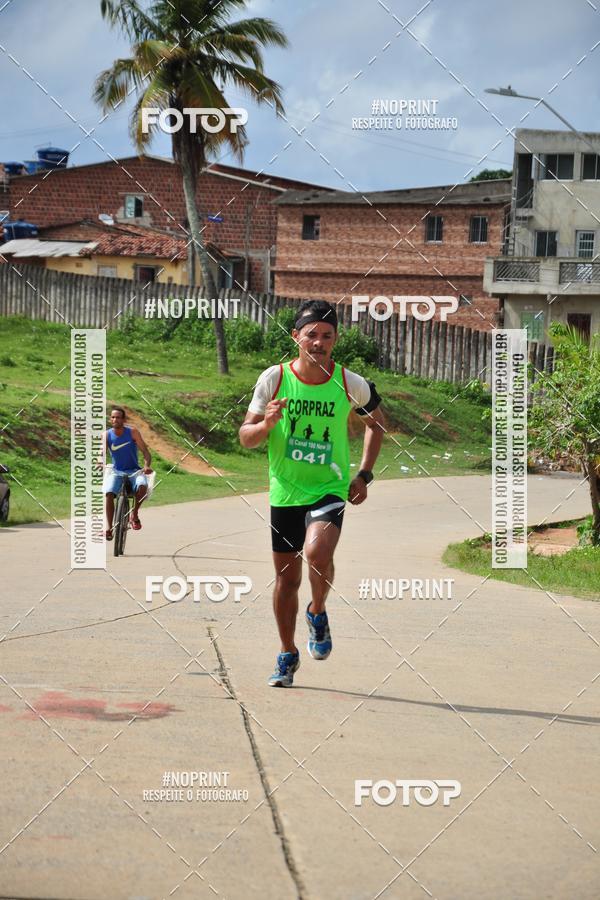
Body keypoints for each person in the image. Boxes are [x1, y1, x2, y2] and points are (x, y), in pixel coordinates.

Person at [239, 300, 384, 687]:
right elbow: (245, 437)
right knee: (286, 580)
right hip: (285, 492)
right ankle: (287, 653)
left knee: (319, 554)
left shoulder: (349, 382)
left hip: (329, 487)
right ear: (296, 337)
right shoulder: (274, 378)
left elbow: (377, 425)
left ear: (336, 340)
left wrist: (364, 475)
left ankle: (317, 611)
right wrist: (267, 424)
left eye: (327, 336)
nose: (318, 342)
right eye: (311, 335)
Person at [104, 406, 153, 540]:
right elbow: (100, 453)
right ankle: (109, 528)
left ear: (124, 419)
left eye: (118, 417)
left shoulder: (133, 432)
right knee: (109, 493)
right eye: (113, 417)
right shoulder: (107, 434)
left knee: (143, 485)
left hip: (134, 471)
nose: (115, 419)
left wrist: (146, 466)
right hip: (116, 471)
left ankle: (134, 514)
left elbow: (146, 453)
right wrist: (98, 462)